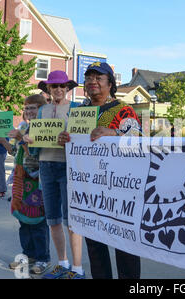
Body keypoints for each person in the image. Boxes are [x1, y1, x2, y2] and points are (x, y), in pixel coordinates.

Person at [58, 62, 142, 279]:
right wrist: (65, 140)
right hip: (89, 188)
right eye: (89, 78)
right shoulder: (81, 112)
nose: (92, 82)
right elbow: (75, 144)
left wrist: (113, 134)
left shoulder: (124, 109)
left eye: (99, 78)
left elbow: (139, 139)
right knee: (94, 245)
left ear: (110, 84)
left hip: (119, 189)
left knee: (124, 246)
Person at [23, 70, 85, 279]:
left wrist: (70, 138)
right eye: (54, 86)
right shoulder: (42, 111)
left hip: (68, 166)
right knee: (52, 219)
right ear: (48, 89)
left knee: (71, 220)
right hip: (46, 166)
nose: (58, 89)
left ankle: (77, 268)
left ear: (67, 89)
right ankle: (63, 263)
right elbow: (36, 142)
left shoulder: (77, 108)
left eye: (62, 86)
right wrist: (30, 141)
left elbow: (83, 138)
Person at [0, 94, 51, 275]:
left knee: (39, 222)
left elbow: (35, 156)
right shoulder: (23, 126)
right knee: (24, 221)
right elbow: (14, 151)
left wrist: (23, 139)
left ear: (42, 109)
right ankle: (28, 255)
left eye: (33, 108)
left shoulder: (44, 128)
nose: (28, 111)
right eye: (27, 108)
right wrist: (2, 141)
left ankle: (43, 258)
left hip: (37, 181)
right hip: (21, 180)